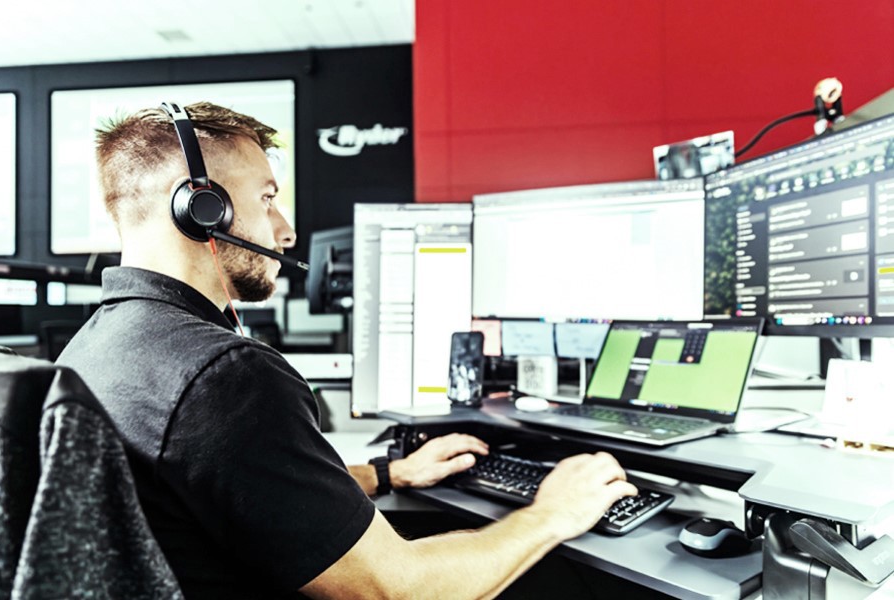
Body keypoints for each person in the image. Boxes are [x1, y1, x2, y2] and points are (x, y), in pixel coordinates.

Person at [57, 102, 638, 599]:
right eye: (267, 198)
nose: (284, 230)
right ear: (203, 209)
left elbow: (234, 490)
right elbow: (396, 588)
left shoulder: (94, 348)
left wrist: (390, 473)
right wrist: (554, 512)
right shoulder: (223, 375)